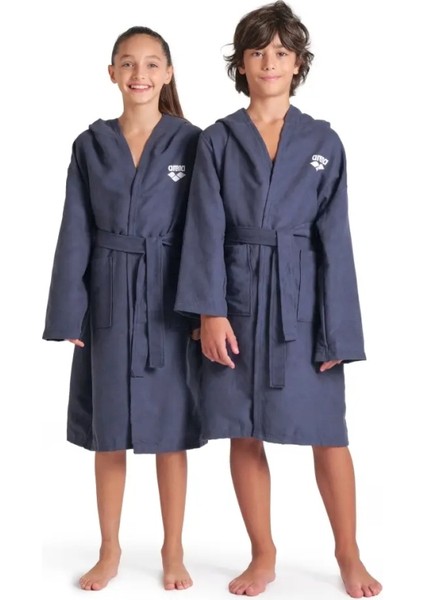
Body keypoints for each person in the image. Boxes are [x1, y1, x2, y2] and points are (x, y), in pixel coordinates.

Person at [175, 2, 382, 597]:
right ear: (241, 64)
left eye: (281, 53)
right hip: (238, 300)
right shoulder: (217, 139)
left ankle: (348, 553)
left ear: (298, 64)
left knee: (329, 433)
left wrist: (338, 331)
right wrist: (210, 310)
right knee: (244, 429)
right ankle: (262, 554)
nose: (269, 62)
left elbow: (336, 239)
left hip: (304, 302)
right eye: (258, 52)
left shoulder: (324, 141)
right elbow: (204, 228)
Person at [43, 26, 204, 592]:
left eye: (152, 63)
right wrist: (70, 311)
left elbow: (204, 230)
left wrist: (202, 308)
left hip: (170, 302)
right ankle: (109, 549)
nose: (140, 74)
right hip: (108, 297)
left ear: (168, 73)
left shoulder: (193, 142)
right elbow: (75, 230)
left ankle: (173, 550)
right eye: (128, 63)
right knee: (108, 430)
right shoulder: (90, 145)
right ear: (112, 73)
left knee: (171, 432)